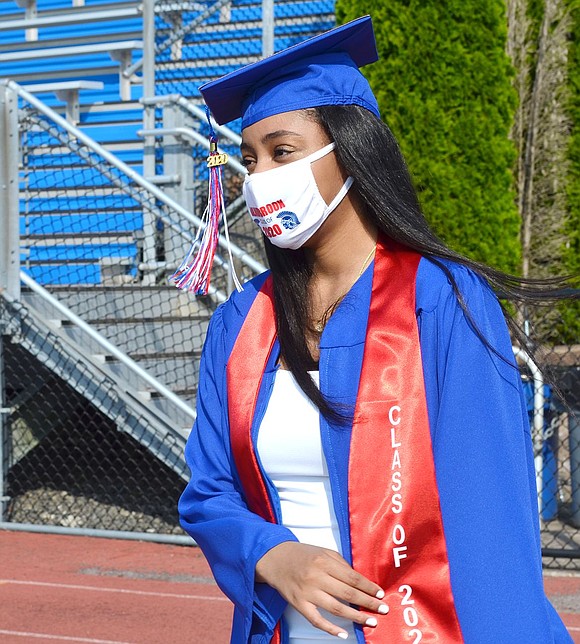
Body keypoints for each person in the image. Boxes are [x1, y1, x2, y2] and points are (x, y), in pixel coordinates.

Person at [178, 15, 574, 644]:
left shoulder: (437, 301)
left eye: (283, 152)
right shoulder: (244, 322)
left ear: (351, 151)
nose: (260, 179)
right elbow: (209, 489)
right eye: (250, 161)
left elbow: (489, 517)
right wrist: (271, 554)